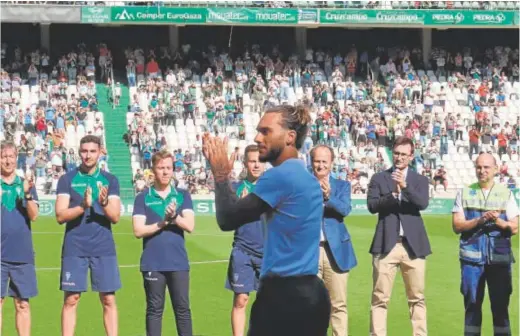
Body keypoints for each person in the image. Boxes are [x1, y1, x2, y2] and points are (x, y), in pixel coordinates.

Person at [203, 104, 331, 336]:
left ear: (290, 137)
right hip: (312, 292)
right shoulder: (306, 176)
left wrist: (221, 175)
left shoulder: (279, 176)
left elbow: (227, 219)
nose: (257, 137)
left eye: (266, 131)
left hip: (283, 296)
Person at [55, 135, 121, 336]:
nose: (88, 155)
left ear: (100, 152)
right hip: (75, 247)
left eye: (92, 151)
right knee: (71, 299)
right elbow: (60, 215)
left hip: (103, 247)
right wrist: (83, 206)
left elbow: (115, 216)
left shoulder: (110, 180)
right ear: (79, 152)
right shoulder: (67, 179)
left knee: (108, 299)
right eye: (84, 151)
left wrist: (103, 203)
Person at [367, 136, 431, 336]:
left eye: (404, 154)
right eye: (396, 153)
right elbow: (372, 206)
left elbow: (422, 203)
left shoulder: (419, 180)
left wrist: (404, 187)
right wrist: (393, 195)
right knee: (379, 298)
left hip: (413, 247)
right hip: (386, 244)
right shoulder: (379, 178)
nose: (399, 158)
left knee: (417, 297)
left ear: (411, 157)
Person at [452, 153, 518, 336]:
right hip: (472, 260)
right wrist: (480, 220)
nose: (482, 171)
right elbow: (457, 225)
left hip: (499, 260)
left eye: (486, 167)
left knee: (500, 309)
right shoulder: (464, 192)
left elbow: (514, 227)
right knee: (472, 307)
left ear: (496, 169)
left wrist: (499, 222)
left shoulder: (506, 193)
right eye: (479, 167)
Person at [132, 150, 195, 336]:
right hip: (152, 263)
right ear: (153, 170)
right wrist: (162, 223)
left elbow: (190, 226)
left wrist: (174, 217)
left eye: (168, 168)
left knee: (183, 310)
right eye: (161, 168)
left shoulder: (183, 195)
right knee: (154, 311)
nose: (165, 172)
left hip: (178, 263)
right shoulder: (142, 197)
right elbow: (138, 230)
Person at [310, 144, 357, 336]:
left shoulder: (342, 186)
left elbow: (345, 210)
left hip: (335, 252)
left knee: (338, 304)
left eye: (324, 162)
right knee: (311, 304)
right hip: (309, 252)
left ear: (331, 164)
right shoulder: (303, 185)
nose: (320, 166)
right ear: (310, 162)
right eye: (317, 161)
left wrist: (328, 196)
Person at [225, 145, 265, 336]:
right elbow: (226, 220)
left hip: (269, 253)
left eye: (260, 160)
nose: (256, 165)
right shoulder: (235, 188)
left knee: (270, 302)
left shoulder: (273, 188)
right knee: (241, 299)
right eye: (252, 161)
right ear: (245, 163)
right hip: (243, 249)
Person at [0, 142, 39, 336]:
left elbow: (34, 215)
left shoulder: (26, 184)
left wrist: (27, 194)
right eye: (3, 156)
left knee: (22, 303)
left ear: (16, 158)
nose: (7, 160)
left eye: (10, 156)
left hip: (22, 254)